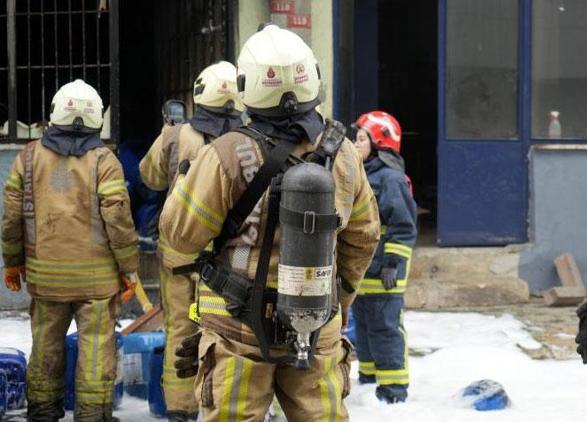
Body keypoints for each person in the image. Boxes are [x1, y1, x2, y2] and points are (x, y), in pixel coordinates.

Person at [158, 24, 379, 421]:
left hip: (237, 329)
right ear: (311, 78)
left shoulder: (225, 155)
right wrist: (339, 300)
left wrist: (185, 180)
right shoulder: (344, 154)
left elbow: (180, 235)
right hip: (316, 326)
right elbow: (363, 237)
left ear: (248, 86)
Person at [2, 79, 138, 421]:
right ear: (96, 118)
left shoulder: (29, 157)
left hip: (46, 279)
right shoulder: (104, 160)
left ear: (54, 114)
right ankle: (93, 414)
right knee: (95, 350)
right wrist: (129, 268)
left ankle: (44, 411)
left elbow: (11, 216)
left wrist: (12, 261)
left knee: (46, 345)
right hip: (97, 282)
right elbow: (118, 218)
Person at [139, 61, 243, 422]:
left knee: (181, 330)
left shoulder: (175, 135)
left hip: (180, 255)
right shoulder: (252, 138)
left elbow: (148, 177)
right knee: (231, 334)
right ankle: (224, 405)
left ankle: (180, 411)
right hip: (228, 260)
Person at [351, 111, 417, 403]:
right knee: (363, 327)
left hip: (384, 271)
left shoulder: (392, 179)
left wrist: (393, 263)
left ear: (380, 142)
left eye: (361, 138)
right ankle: (369, 378)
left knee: (385, 327)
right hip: (363, 270)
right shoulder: (361, 174)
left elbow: (404, 227)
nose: (355, 144)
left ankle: (393, 390)